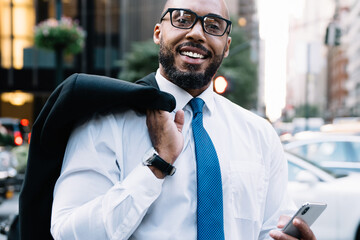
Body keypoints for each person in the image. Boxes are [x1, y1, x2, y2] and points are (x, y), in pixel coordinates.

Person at [50, 0, 317, 239]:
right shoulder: (105, 122)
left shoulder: (259, 134)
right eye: (181, 19)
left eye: (213, 25)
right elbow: (68, 232)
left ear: (226, 47)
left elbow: (268, 228)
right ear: (158, 33)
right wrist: (158, 164)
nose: (197, 33)